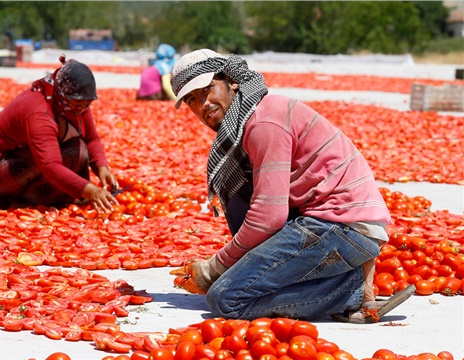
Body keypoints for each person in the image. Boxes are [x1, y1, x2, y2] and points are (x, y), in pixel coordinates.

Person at [169, 49, 414, 324]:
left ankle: (350, 289)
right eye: (192, 99)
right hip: (331, 222)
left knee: (226, 299)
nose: (203, 104)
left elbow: (268, 217)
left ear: (229, 80)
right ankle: (342, 278)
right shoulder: (251, 117)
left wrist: (215, 267)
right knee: (237, 266)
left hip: (341, 226)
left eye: (207, 89)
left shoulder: (263, 122)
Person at [0, 54, 119, 213]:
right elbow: (50, 167)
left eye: (87, 104)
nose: (81, 109)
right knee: (74, 154)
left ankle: (19, 199)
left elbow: (91, 138)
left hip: (21, 159)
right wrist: (91, 191)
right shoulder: (39, 112)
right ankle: (11, 201)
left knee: (79, 149)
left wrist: (102, 168)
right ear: (62, 94)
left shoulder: (74, 102)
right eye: (77, 104)